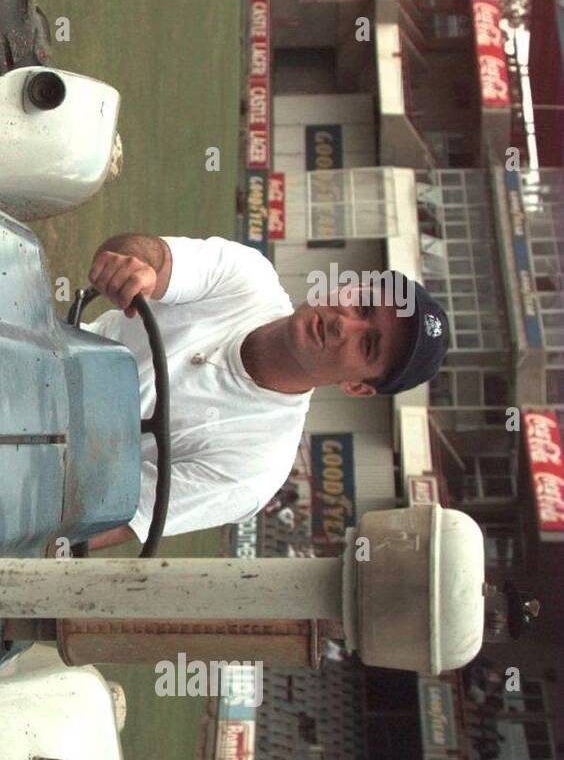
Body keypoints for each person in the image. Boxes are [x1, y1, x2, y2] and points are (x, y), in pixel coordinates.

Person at [80, 234, 451, 548]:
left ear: (357, 386)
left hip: (51, 463)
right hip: (47, 349)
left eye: (368, 345)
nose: (344, 323)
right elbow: (150, 255)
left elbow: (108, 520)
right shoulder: (248, 275)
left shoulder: (257, 467)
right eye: (363, 304)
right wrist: (136, 268)